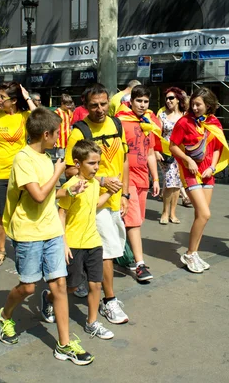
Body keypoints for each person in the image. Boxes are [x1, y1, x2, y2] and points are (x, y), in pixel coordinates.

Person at [0, 108, 94, 365]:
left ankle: (64, 343)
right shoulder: (23, 159)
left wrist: (70, 191)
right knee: (28, 286)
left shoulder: (47, 158)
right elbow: (37, 195)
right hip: (28, 231)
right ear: (45, 134)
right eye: (56, 134)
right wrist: (59, 173)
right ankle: (4, 316)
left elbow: (50, 195)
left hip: (51, 229)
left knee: (59, 286)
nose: (58, 139)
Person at [65, 83, 130, 324]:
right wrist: (101, 179)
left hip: (114, 200)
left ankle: (79, 281)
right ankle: (109, 300)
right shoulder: (78, 131)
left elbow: (124, 160)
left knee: (106, 248)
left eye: (103, 103)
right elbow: (69, 168)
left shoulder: (117, 124)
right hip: (92, 201)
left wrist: (125, 194)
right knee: (108, 252)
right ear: (85, 106)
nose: (100, 109)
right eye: (94, 105)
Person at [169, 88, 229, 273]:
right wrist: (187, 160)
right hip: (190, 173)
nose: (194, 107)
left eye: (199, 104)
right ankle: (189, 253)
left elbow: (218, 147)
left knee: (200, 217)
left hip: (207, 174)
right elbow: (173, 146)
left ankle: (193, 253)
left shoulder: (214, 122)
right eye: (193, 104)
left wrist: (212, 167)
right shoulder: (184, 122)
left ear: (209, 105)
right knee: (205, 214)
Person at [58, 140, 114, 339]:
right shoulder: (71, 186)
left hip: (93, 242)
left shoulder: (93, 184)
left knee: (95, 284)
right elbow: (61, 214)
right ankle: (48, 298)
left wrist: (109, 192)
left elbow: (95, 204)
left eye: (98, 163)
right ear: (77, 163)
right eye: (91, 163)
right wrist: (63, 243)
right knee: (72, 286)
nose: (96, 167)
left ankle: (92, 323)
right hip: (73, 244)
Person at [0, 82, 36, 267]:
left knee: (23, 212)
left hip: (22, 172)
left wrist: (27, 97)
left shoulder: (25, 116)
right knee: (1, 213)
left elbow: (41, 118)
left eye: (2, 97)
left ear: (13, 101)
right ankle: (1, 250)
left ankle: (22, 246)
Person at [115, 85, 160, 281]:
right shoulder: (121, 121)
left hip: (143, 178)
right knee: (133, 222)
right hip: (127, 178)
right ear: (131, 101)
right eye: (139, 101)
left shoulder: (148, 122)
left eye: (145, 101)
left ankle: (121, 254)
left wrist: (155, 178)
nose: (142, 105)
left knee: (135, 220)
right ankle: (140, 264)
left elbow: (150, 153)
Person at [156, 87, 186, 224]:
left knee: (177, 183)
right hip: (166, 153)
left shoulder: (185, 115)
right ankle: (165, 212)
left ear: (178, 99)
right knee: (169, 181)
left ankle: (173, 213)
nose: (168, 101)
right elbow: (156, 134)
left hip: (181, 153)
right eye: (167, 98)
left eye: (171, 98)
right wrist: (156, 150)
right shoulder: (161, 115)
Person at [54, 94, 75, 159]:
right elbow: (53, 126)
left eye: (70, 105)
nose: (69, 107)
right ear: (62, 103)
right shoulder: (57, 112)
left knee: (68, 157)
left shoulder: (69, 112)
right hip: (60, 139)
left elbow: (70, 123)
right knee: (61, 158)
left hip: (68, 138)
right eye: (67, 105)